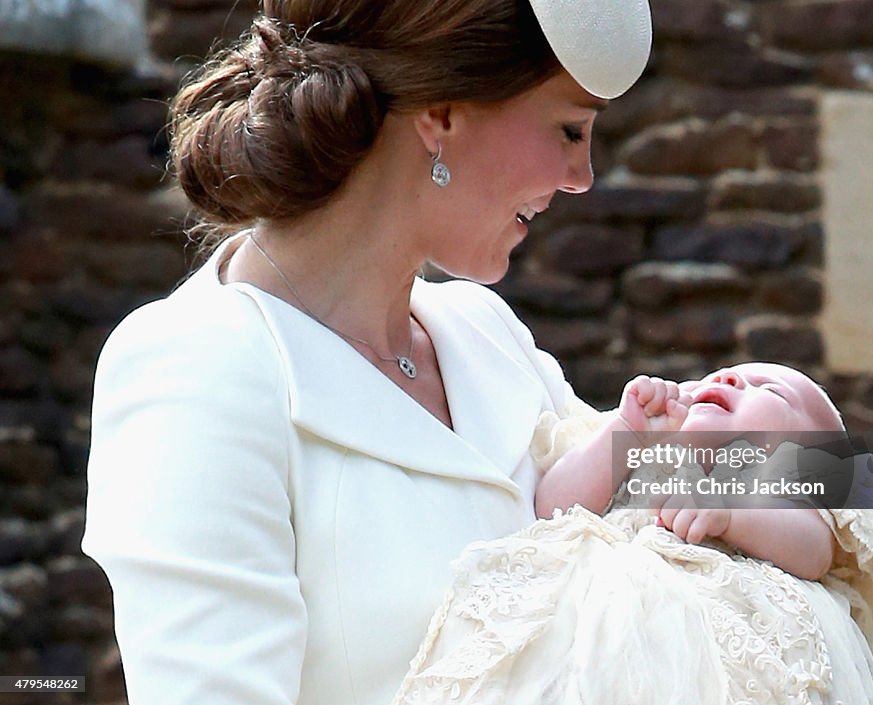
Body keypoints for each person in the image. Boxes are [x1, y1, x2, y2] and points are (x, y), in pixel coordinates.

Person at [82, 2, 654, 705]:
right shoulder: (196, 369)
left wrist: (795, 459)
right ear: (442, 110)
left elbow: (744, 480)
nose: (581, 175)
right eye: (570, 129)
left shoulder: (484, 334)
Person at [392, 363, 873, 704]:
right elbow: (550, 507)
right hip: (594, 650)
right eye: (721, 374)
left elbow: (814, 553)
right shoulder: (646, 455)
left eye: (769, 390)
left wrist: (732, 513)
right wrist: (626, 433)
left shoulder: (783, 485)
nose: (728, 377)